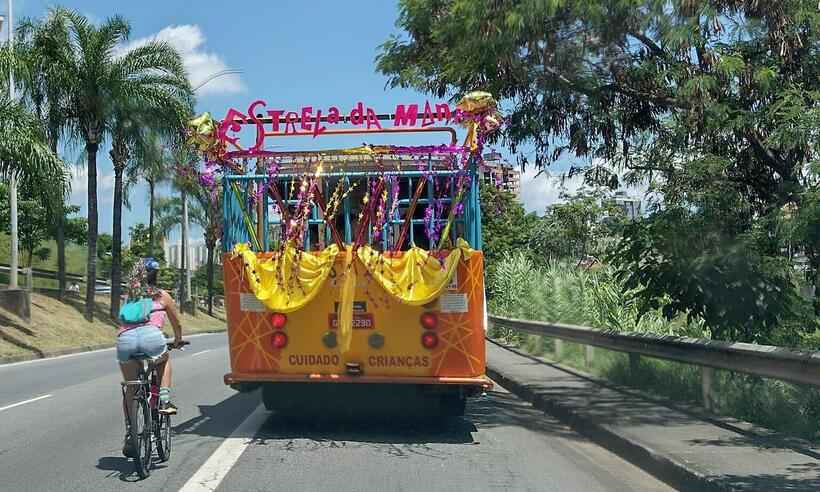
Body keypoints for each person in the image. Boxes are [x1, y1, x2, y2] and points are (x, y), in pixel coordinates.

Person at [117, 258, 183, 457]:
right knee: (165, 360)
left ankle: (131, 432)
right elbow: (177, 323)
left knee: (131, 386)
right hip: (152, 339)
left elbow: (122, 320)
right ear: (156, 275)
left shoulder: (129, 295)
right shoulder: (162, 296)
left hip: (125, 341)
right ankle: (163, 401)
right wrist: (178, 339)